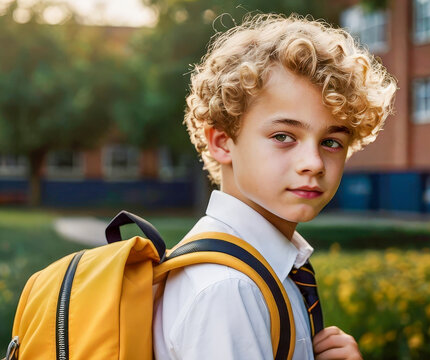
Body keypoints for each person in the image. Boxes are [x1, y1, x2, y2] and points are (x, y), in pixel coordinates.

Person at [153, 13, 396, 360]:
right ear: (222, 142)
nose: (313, 162)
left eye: (331, 142)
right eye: (284, 136)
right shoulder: (229, 288)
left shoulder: (266, 266)